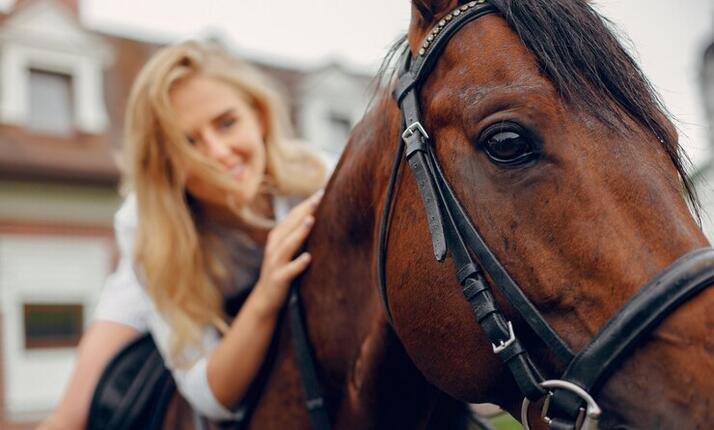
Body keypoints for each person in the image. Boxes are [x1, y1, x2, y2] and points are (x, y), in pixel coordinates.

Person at [39, 40, 326, 429]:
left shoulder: (317, 177)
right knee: (70, 416)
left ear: (258, 116)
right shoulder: (145, 227)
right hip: (159, 271)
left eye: (227, 123)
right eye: (187, 143)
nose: (219, 153)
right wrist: (266, 293)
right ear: (165, 164)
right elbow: (207, 394)